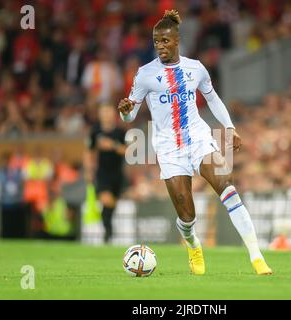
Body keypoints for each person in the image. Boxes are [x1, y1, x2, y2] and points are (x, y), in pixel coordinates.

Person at [118, 10, 272, 275]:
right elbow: (130, 113)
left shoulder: (195, 68)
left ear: (177, 40)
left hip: (199, 138)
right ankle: (192, 243)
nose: (160, 46)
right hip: (168, 147)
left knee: (226, 185)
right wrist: (124, 111)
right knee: (187, 215)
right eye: (156, 42)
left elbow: (212, 99)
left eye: (165, 41)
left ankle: (257, 257)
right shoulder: (144, 74)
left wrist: (230, 127)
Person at [84, 104, 127, 243]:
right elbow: (89, 151)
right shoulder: (95, 131)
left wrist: (113, 145)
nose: (106, 115)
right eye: (104, 112)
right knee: (107, 200)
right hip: (102, 173)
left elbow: (129, 152)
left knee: (111, 205)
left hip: (117, 174)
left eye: (109, 111)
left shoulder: (120, 132)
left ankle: (108, 231)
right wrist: (88, 170)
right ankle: (108, 233)